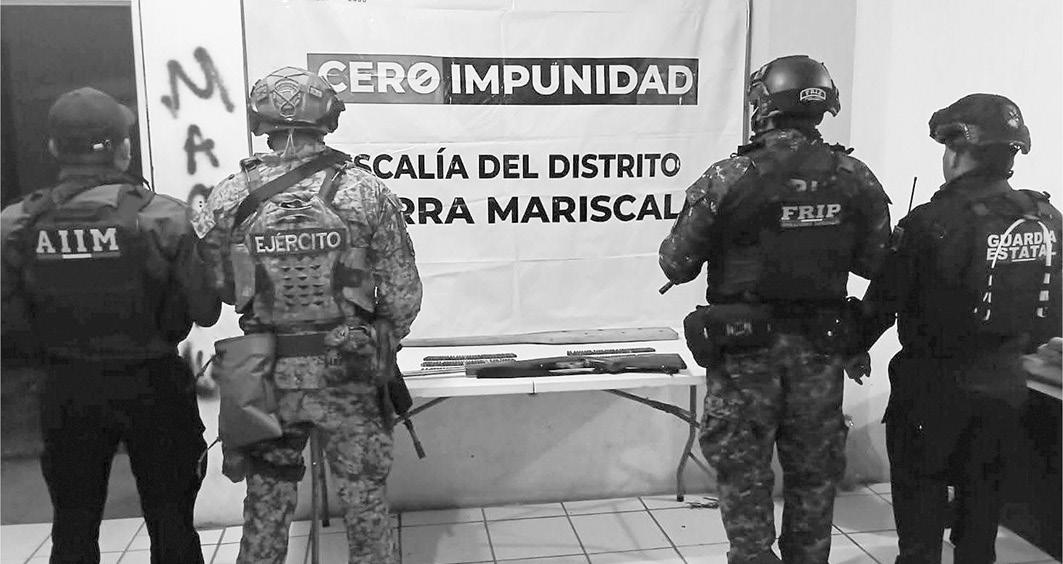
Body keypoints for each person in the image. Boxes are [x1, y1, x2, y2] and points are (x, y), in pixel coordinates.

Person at [659, 55, 891, 563]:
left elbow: (676, 262)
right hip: (820, 353)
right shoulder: (855, 177)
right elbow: (877, 264)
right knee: (814, 472)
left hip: (746, 355)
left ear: (763, 104)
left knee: (743, 470)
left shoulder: (730, 176)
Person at [194, 66, 422, 564]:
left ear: (259, 121)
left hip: (264, 374)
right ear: (329, 118)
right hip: (348, 369)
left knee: (266, 504)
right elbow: (402, 292)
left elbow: (216, 286)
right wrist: (381, 337)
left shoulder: (229, 195)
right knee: (365, 503)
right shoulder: (366, 190)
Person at [0, 87, 221, 563]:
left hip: (67, 388)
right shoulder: (164, 217)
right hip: (155, 387)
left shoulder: (15, 224)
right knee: (172, 523)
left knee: (73, 526)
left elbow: (8, 315)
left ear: (54, 147)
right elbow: (206, 311)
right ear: (123, 148)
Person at [859, 93, 1061, 564]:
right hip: (1008, 386)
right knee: (983, 507)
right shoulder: (1046, 218)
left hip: (931, 389)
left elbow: (880, 306)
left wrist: (849, 347)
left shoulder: (930, 222)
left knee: (921, 510)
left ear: (956, 150)